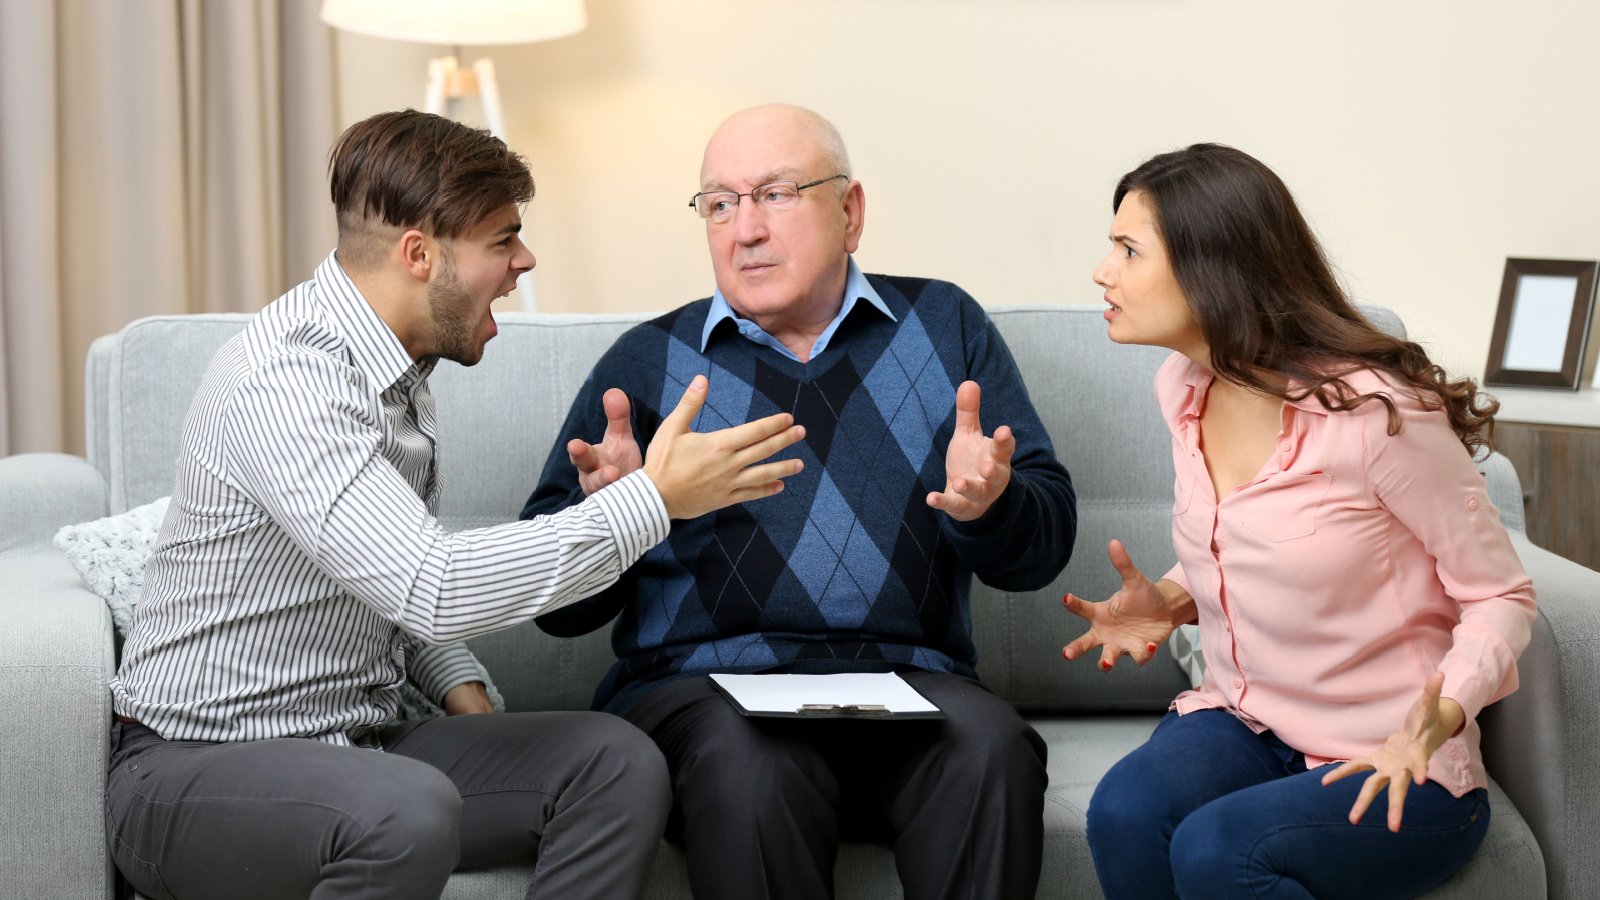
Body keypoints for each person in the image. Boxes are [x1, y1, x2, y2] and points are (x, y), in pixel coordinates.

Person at [105, 109, 807, 900]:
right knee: (404, 808)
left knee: (616, 762)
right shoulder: (289, 383)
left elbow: (377, 579)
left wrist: (457, 686)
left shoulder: (400, 376)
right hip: (192, 770)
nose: (525, 259)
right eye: (503, 239)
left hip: (357, 750)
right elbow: (429, 585)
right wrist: (654, 500)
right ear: (419, 255)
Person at [519, 104, 1078, 900]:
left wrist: (991, 505)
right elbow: (555, 609)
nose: (743, 228)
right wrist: (613, 521)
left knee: (991, 749)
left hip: (911, 681)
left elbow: (1044, 547)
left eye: (775, 194)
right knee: (754, 770)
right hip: (702, 694)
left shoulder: (944, 326)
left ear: (849, 212)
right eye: (719, 203)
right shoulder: (648, 362)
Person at [1064, 143, 1536, 899]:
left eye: (1127, 249)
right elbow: (1271, 541)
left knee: (1218, 851)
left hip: (1395, 756)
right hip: (1254, 725)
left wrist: (1436, 717)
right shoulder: (1182, 388)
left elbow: (1502, 596)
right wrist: (1173, 599)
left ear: (1209, 266)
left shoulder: (1377, 416)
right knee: (1125, 811)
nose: (1102, 271)